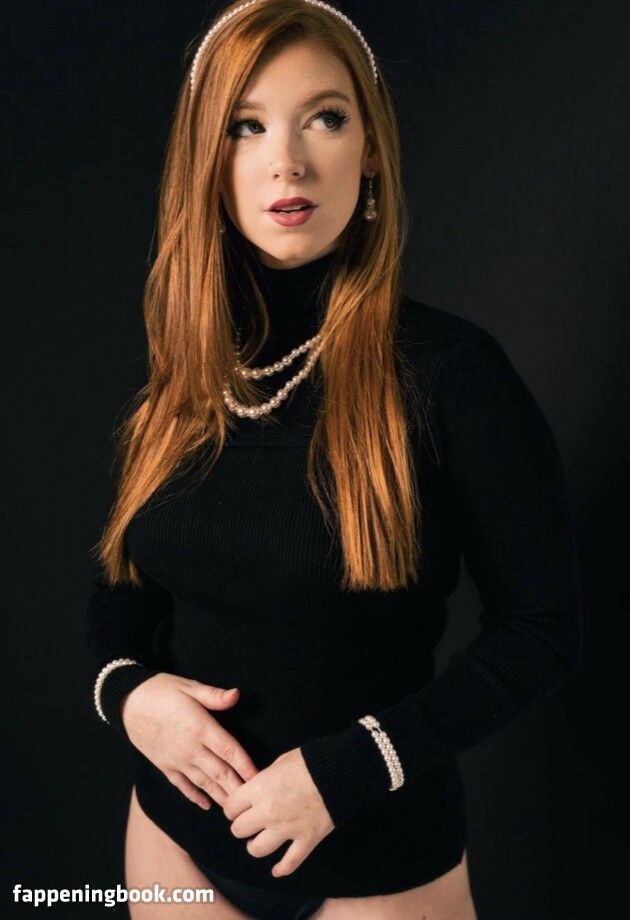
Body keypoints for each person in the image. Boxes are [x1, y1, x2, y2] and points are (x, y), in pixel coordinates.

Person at [85, 1, 583, 918]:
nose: (287, 160)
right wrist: (130, 697)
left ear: (372, 148)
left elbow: (543, 628)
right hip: (172, 847)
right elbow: (122, 595)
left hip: (376, 871)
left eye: (324, 117)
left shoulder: (452, 373)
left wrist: (352, 767)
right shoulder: (186, 373)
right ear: (206, 161)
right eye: (246, 126)